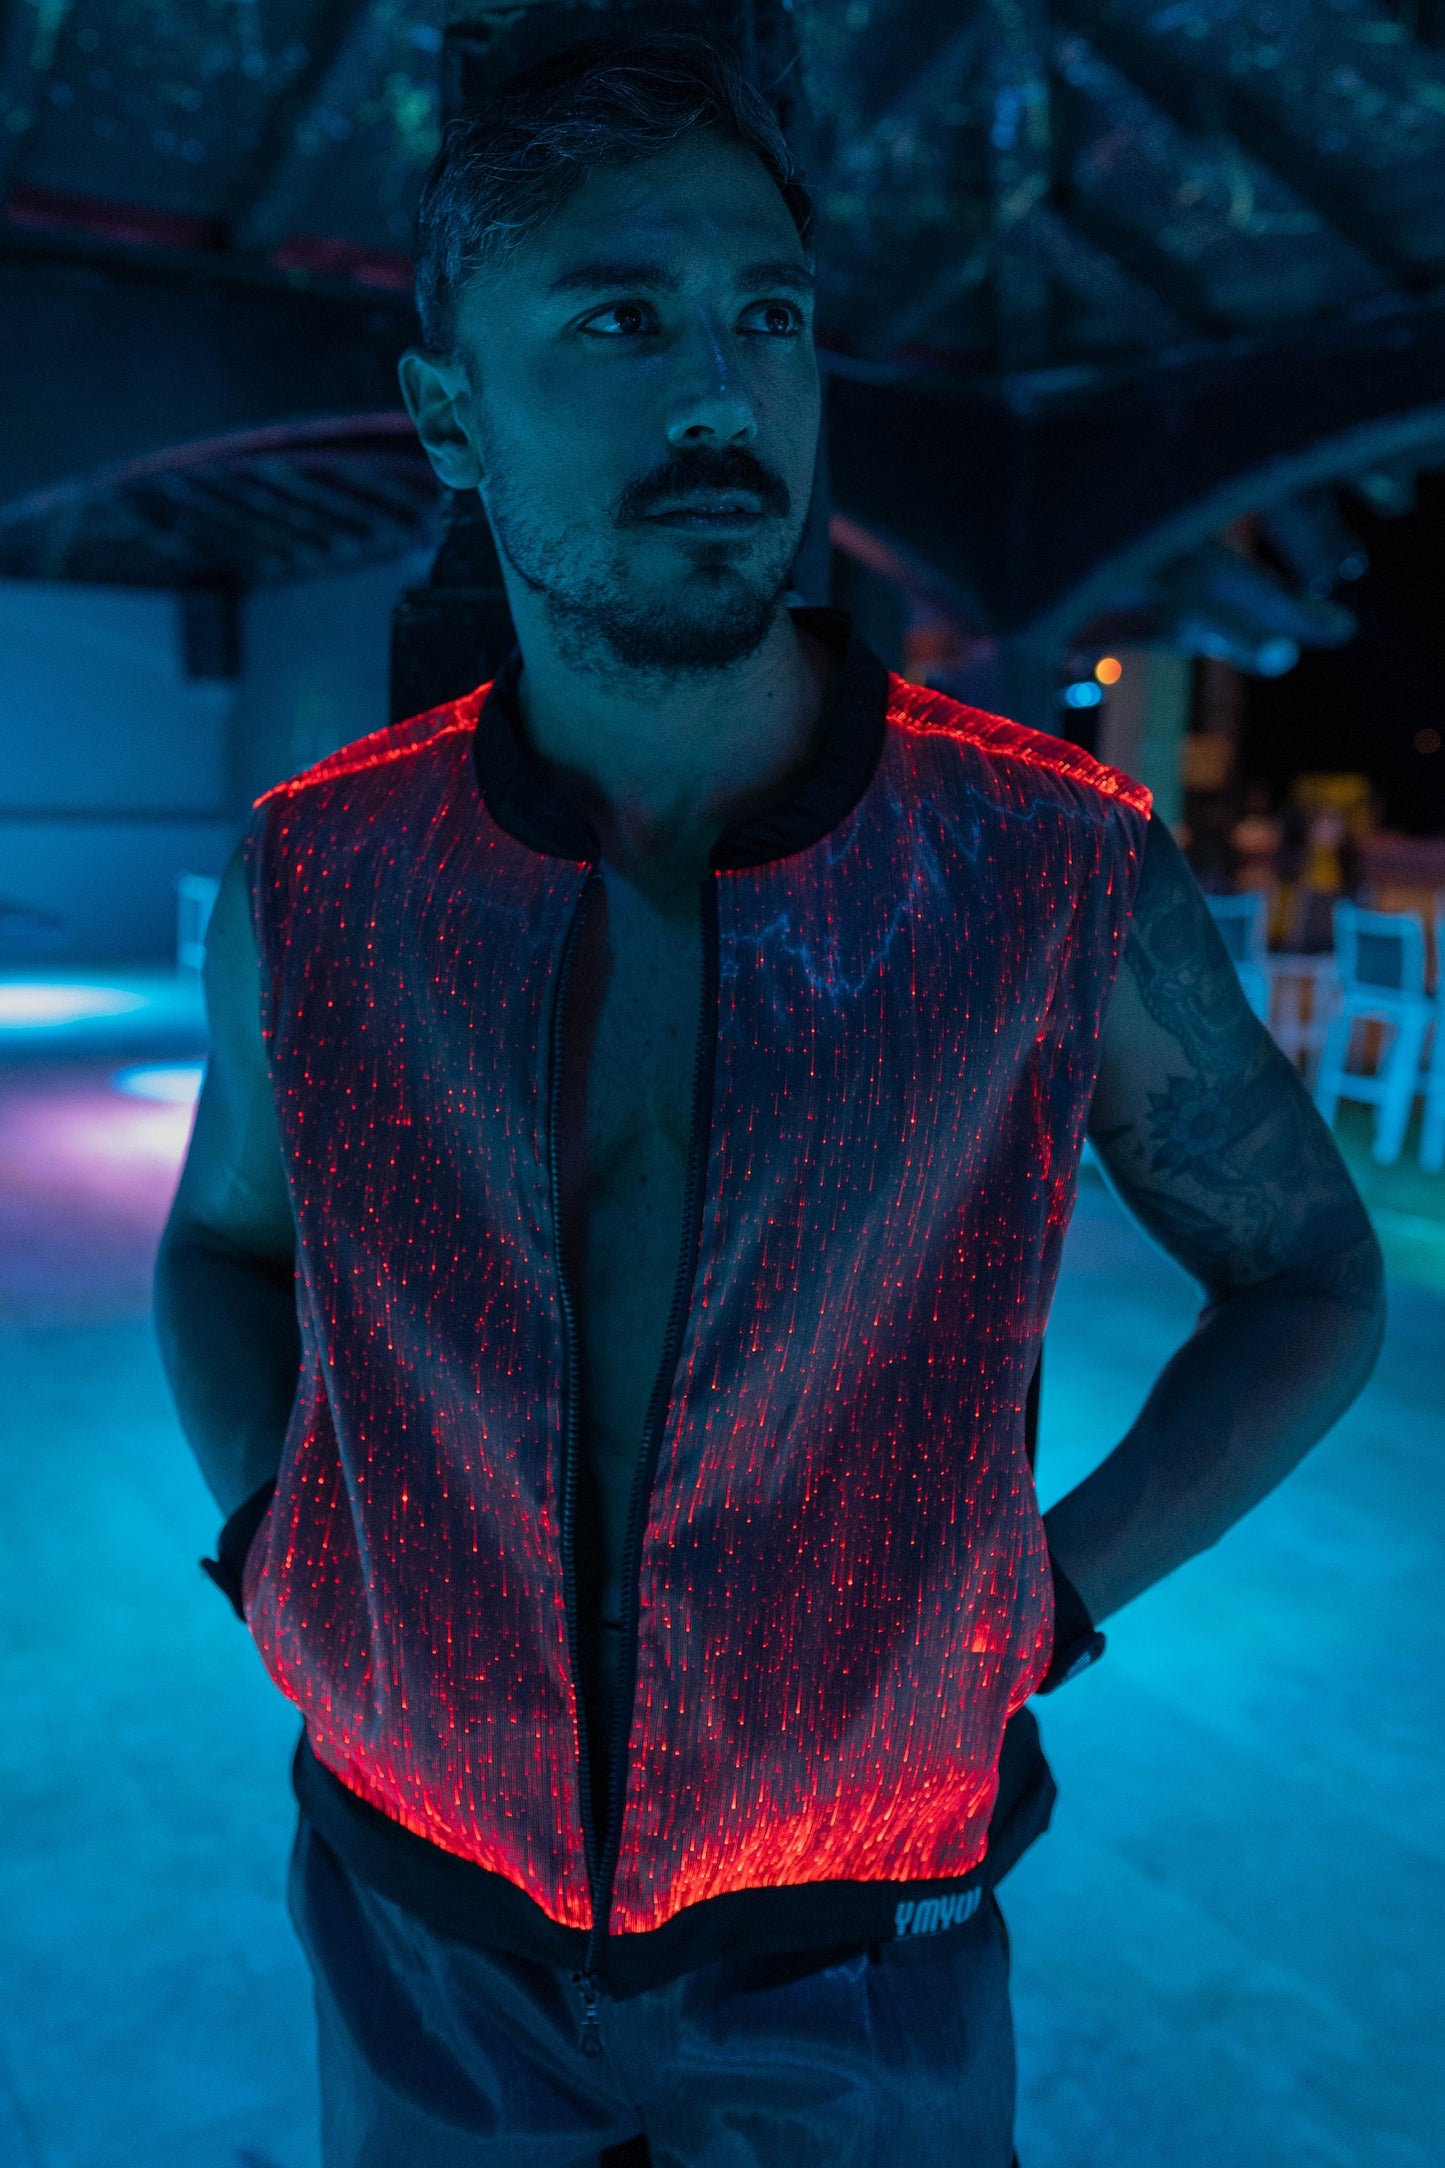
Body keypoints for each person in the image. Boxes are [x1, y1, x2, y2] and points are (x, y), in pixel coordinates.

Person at [155, 36, 1385, 2168]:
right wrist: (286, 1548)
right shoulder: (323, 875)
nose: (721, 394)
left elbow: (1309, 1278)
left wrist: (1047, 1594)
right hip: (413, 1914)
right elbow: (225, 1237)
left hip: (864, 1950)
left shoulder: (1045, 866)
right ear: (451, 408)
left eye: (769, 316)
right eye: (621, 317)